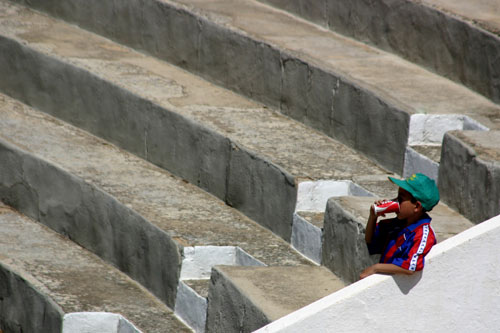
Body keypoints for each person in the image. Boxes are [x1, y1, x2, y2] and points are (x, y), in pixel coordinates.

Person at [360, 173, 440, 279]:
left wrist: (376, 268)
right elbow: (370, 240)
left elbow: (410, 267)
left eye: (400, 199)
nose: (395, 202)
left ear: (416, 206)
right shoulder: (397, 223)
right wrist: (373, 216)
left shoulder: (423, 234)